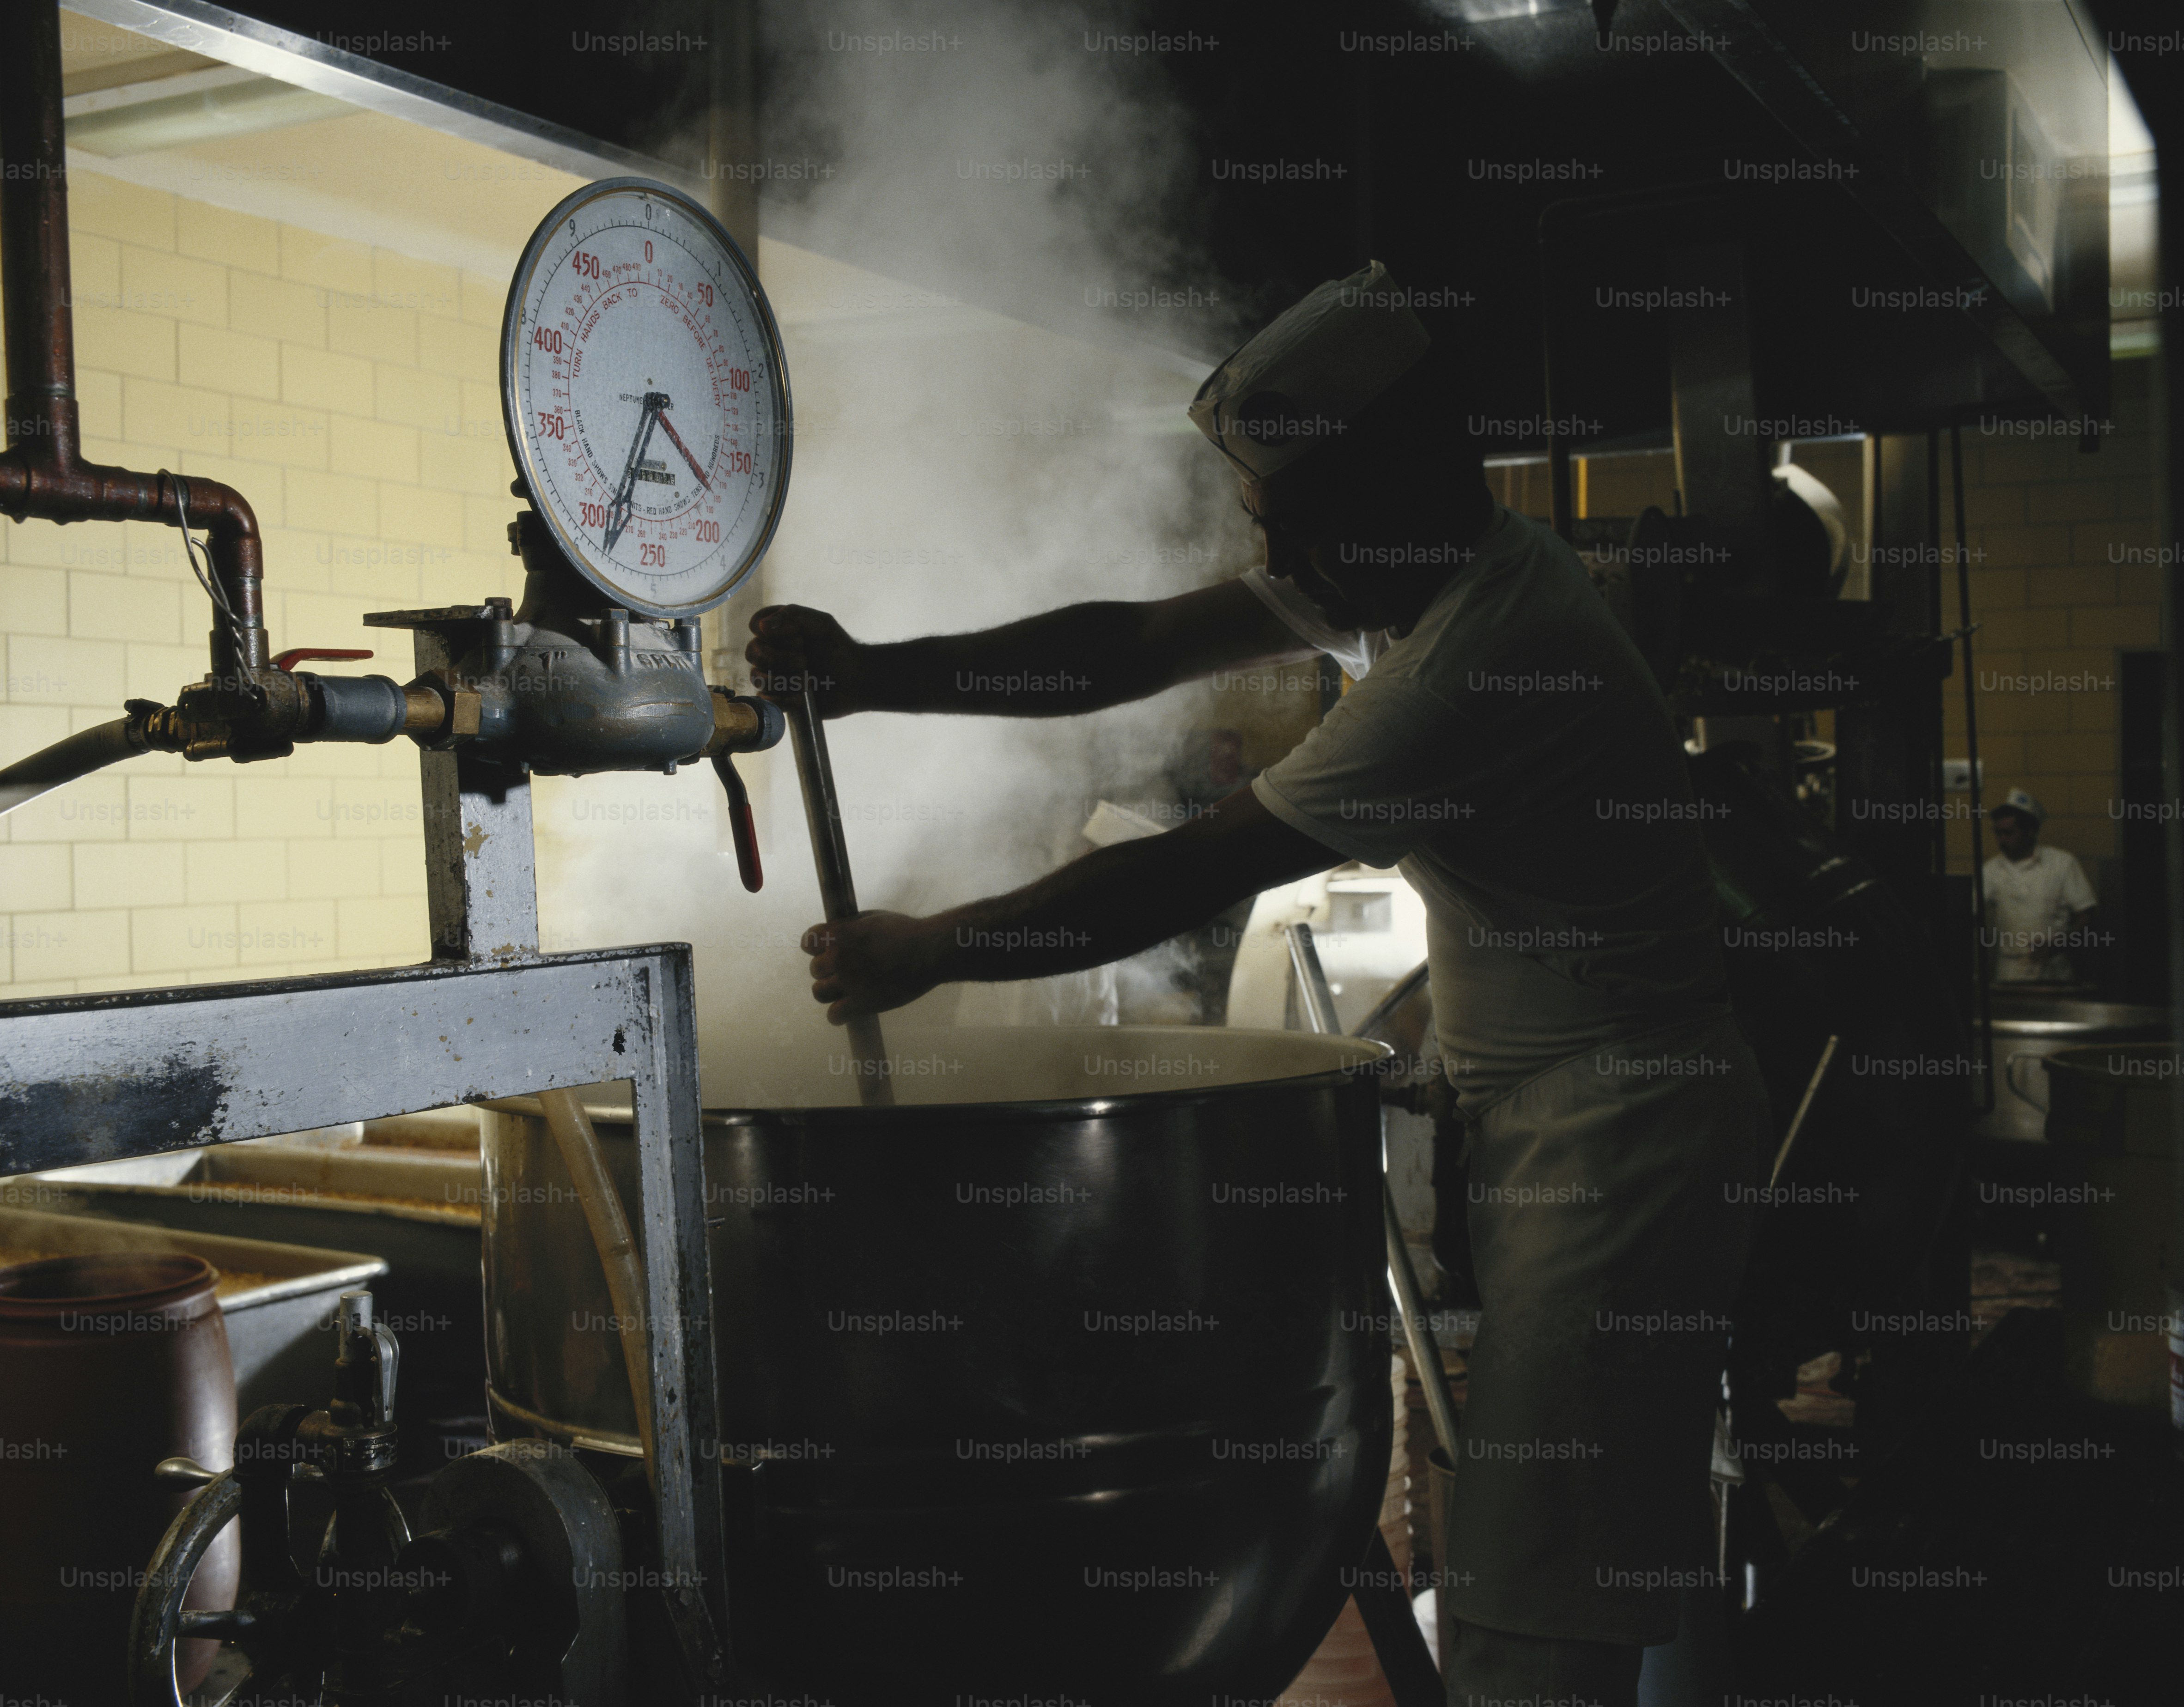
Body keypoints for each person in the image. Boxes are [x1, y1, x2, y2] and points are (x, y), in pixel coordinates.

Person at [747, 262, 1769, 1705]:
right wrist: (872, 672)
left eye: (1291, 524)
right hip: (1562, 1109)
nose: (1267, 547)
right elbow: (1131, 647)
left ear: (1399, 488)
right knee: (1542, 1535)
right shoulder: (1404, 569)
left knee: (1540, 1584)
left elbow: (1189, 870)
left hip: (1624, 1137)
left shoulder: (1486, 652)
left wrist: (939, 949)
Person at [1982, 787, 2099, 982]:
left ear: (2031, 831)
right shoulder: (1991, 870)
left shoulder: (2062, 863)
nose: (2002, 840)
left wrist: (2056, 945)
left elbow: (2087, 915)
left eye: (2009, 833)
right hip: (2009, 970)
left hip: (2053, 969)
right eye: (1998, 833)